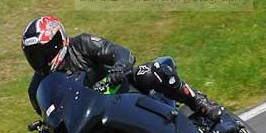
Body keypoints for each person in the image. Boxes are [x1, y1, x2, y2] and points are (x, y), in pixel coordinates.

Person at [22, 15, 224, 122]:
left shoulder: (83, 44)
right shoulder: (37, 88)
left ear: (60, 40)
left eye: (45, 52)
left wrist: (118, 70)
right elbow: (50, 115)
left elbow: (123, 53)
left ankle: (198, 102)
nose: (42, 60)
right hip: (94, 114)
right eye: (35, 57)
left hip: (124, 90)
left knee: (149, 72)